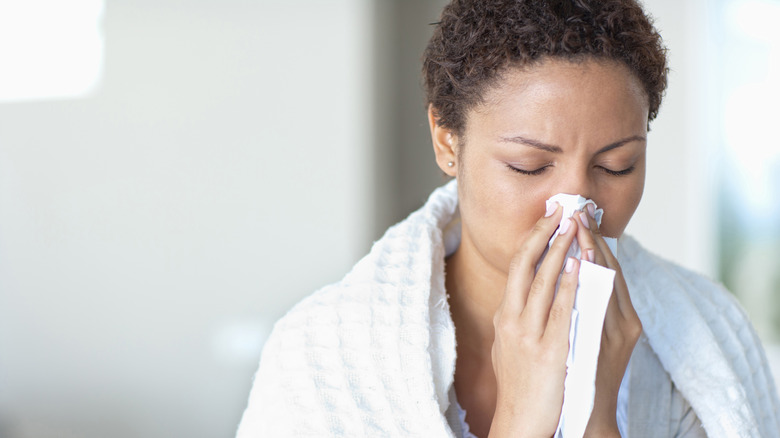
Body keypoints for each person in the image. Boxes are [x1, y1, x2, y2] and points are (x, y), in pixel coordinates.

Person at [236, 0, 780, 436]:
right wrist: (520, 424)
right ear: (447, 142)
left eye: (617, 166)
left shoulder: (709, 336)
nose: (574, 209)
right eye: (529, 166)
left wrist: (596, 420)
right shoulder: (320, 357)